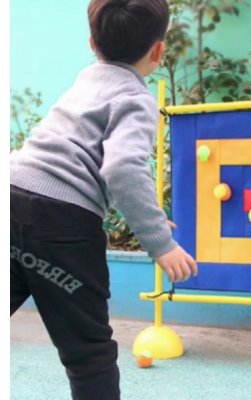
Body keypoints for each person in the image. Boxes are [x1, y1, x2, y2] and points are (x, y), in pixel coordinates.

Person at [10, 1, 197, 399]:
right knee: (88, 353)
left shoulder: (86, 81)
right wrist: (160, 242)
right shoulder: (136, 98)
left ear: (92, 44)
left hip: (10, 198)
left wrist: (148, 216)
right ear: (158, 51)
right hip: (62, 227)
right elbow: (123, 168)